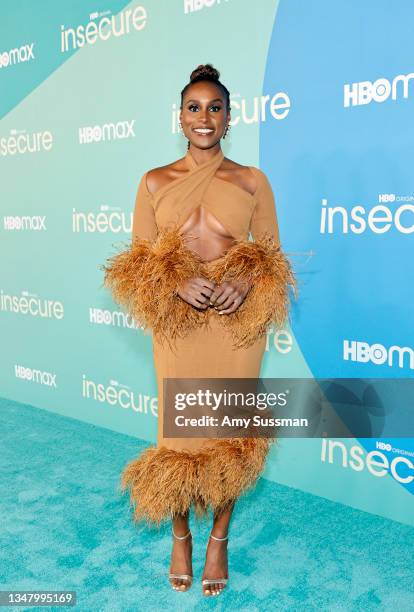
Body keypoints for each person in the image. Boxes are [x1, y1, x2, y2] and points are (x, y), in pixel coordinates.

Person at [101, 63, 296, 597]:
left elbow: (271, 256)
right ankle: (181, 532)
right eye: (194, 108)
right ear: (180, 117)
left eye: (215, 108)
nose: (204, 117)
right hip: (179, 325)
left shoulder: (252, 180)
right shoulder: (154, 180)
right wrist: (175, 284)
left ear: (229, 118)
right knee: (180, 435)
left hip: (236, 326)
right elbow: (140, 262)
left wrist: (246, 280)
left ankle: (219, 540)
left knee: (231, 435)